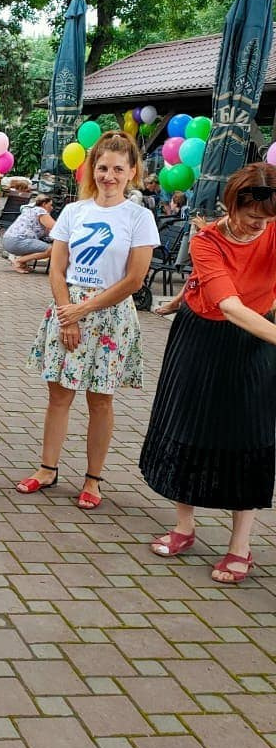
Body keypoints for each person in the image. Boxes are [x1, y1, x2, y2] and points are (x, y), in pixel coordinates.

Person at [140, 163, 276, 583]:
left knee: (248, 435)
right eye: (251, 217)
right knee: (187, 424)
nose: (258, 226)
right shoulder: (207, 240)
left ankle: (241, 547)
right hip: (202, 337)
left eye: (267, 220)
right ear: (231, 205)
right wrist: (183, 299)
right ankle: (184, 526)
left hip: (256, 340)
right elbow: (228, 302)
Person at [18, 130, 159, 509]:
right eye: (101, 167)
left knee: (100, 399)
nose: (108, 176)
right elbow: (57, 266)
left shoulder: (139, 217)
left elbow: (134, 279)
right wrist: (68, 315)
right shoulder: (75, 211)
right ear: (91, 170)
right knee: (59, 395)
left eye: (117, 168)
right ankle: (48, 468)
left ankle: (93, 478)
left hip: (110, 315)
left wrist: (83, 310)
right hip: (68, 311)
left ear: (131, 172)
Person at [3, 193, 55, 273]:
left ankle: (22, 264)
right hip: (18, 241)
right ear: (44, 204)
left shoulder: (30, 210)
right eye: (50, 205)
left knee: (40, 245)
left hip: (8, 240)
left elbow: (46, 233)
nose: (52, 208)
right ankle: (19, 261)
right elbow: (56, 228)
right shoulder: (41, 211)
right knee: (52, 250)